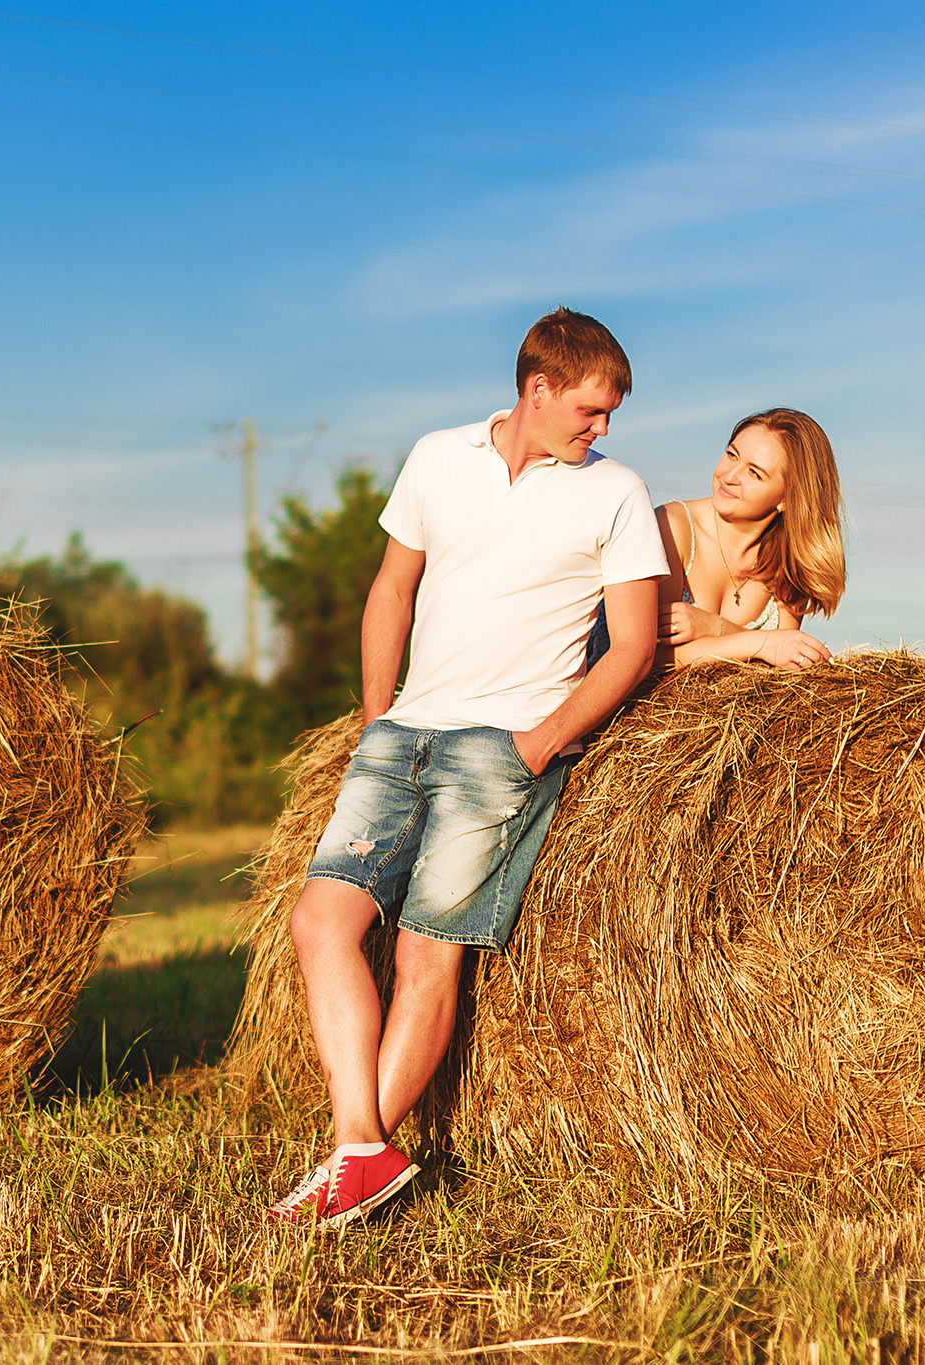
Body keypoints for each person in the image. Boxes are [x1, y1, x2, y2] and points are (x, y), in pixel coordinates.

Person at [267, 308, 670, 1227]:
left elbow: (634, 647)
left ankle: (349, 1162)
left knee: (424, 954)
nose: (601, 429)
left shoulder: (616, 492)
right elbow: (391, 588)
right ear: (537, 389)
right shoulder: (436, 457)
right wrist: (377, 717)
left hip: (502, 752)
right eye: (591, 410)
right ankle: (361, 1145)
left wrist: (538, 742)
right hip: (403, 736)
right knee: (319, 921)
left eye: (608, 415)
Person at [652, 408, 845, 669]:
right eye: (732, 455)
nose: (730, 477)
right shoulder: (672, 527)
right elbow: (650, 658)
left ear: (788, 499)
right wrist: (764, 643)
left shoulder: (789, 565)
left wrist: (713, 626)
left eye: (754, 473)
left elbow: (780, 666)